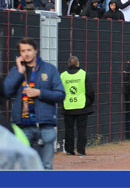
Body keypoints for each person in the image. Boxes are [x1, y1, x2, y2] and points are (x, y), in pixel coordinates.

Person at [3, 37, 65, 169]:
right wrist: (19, 73)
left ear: (35, 50)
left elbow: (60, 94)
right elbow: (6, 92)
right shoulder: (16, 70)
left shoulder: (49, 69)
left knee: (46, 165)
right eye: (23, 51)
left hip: (45, 124)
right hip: (23, 126)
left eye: (29, 50)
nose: (26, 53)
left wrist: (40, 93)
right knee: (23, 166)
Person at [60, 55, 94, 156]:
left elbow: (59, 91)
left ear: (68, 64)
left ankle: (69, 150)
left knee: (68, 129)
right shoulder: (83, 74)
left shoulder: (63, 75)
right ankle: (81, 150)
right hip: (81, 106)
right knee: (81, 129)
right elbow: (90, 91)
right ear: (78, 63)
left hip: (68, 106)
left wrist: (62, 102)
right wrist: (89, 102)